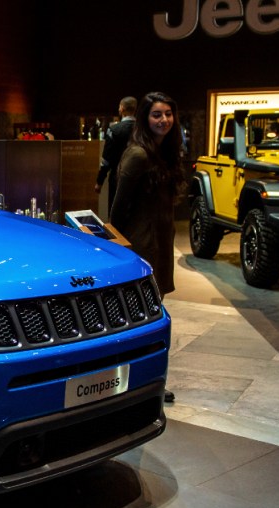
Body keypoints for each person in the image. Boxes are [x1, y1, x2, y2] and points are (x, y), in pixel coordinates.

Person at [109, 92, 184, 404]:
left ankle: (146, 379)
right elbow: (118, 210)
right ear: (144, 118)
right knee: (139, 320)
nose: (163, 120)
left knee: (153, 316)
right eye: (156, 114)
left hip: (161, 243)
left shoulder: (165, 153)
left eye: (168, 114)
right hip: (141, 247)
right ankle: (131, 382)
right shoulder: (138, 155)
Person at [95, 96, 138, 216]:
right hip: (139, 178)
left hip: (117, 178)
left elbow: (106, 160)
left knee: (117, 214)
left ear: (122, 108)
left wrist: (99, 181)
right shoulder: (142, 130)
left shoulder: (114, 130)